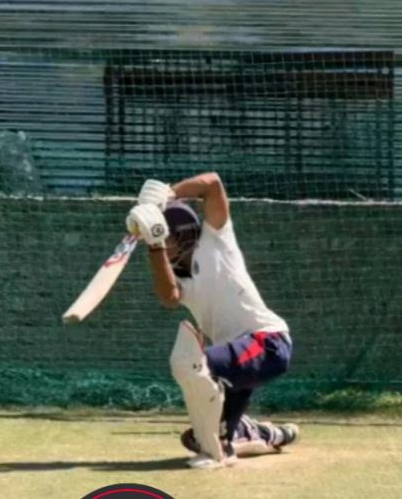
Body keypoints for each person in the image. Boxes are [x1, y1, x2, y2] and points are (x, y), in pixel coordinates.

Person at [126, 172, 299, 469]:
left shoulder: (216, 239)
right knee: (201, 436)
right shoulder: (180, 280)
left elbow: (213, 184)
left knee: (194, 363)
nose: (165, 245)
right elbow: (169, 297)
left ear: (183, 233)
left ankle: (216, 451)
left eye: (167, 238)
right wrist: (154, 245)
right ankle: (260, 434)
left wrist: (168, 194)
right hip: (235, 364)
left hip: (268, 343)